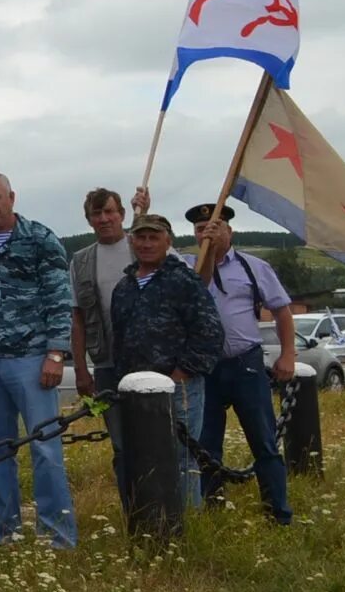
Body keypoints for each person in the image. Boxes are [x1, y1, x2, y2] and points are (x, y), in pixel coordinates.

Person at [0, 173, 76, 549]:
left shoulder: (39, 239)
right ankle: (5, 532)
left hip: (32, 358)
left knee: (45, 448)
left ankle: (57, 535)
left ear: (11, 198)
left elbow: (59, 298)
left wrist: (56, 353)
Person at [108, 213, 224, 509]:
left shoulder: (184, 280)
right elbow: (119, 340)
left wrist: (182, 372)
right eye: (140, 237)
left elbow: (209, 332)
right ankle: (152, 523)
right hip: (135, 391)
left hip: (179, 386)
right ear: (131, 241)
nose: (146, 244)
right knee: (144, 458)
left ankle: (187, 527)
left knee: (182, 459)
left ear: (167, 241)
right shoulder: (123, 287)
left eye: (154, 237)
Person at [190, 203, 296, 524]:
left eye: (215, 225)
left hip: (245, 364)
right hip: (205, 368)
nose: (207, 232)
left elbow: (282, 312)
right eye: (200, 228)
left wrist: (288, 353)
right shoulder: (187, 269)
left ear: (230, 231)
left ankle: (277, 513)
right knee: (206, 446)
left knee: (263, 441)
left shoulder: (255, 267)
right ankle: (213, 510)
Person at [68, 184, 151, 507]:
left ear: (122, 215)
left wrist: (148, 213)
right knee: (121, 445)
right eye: (97, 213)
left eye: (110, 212)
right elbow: (76, 319)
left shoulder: (143, 246)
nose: (104, 219)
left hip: (150, 364)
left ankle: (164, 505)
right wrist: (80, 370)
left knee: (156, 440)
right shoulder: (80, 262)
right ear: (89, 220)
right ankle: (134, 509)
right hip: (106, 367)